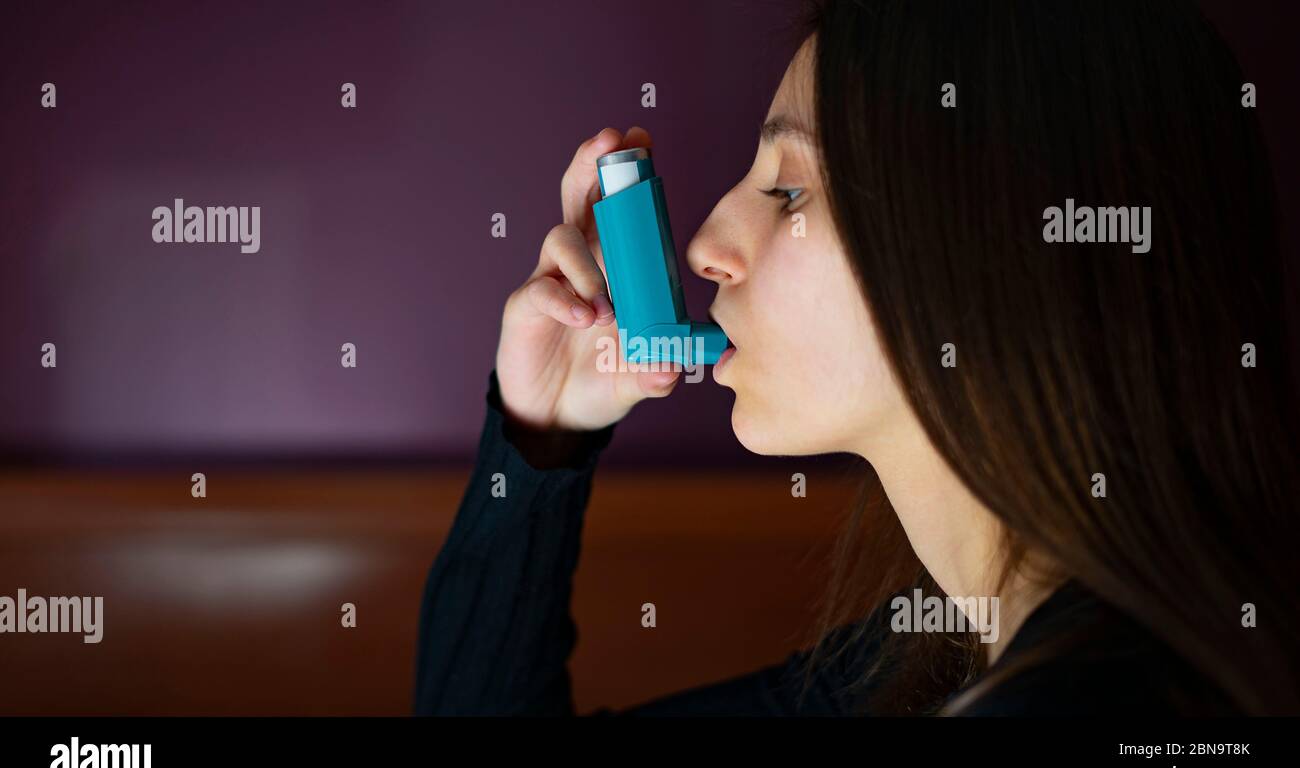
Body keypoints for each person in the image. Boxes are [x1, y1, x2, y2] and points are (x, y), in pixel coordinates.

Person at [414, 0, 1300, 716]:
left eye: (789, 187)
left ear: (995, 255)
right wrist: (542, 435)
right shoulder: (928, 653)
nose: (706, 245)